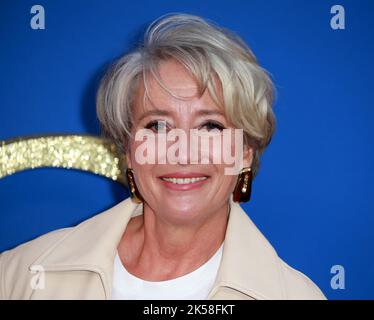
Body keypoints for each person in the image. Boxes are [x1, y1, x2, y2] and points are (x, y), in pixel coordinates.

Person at [0, 13, 326, 300]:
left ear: (244, 152)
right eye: (157, 125)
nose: (182, 152)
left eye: (210, 126)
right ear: (128, 150)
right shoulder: (20, 276)